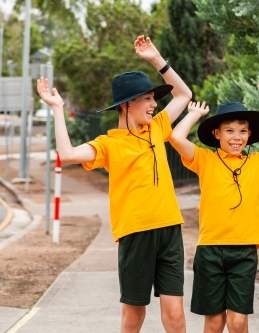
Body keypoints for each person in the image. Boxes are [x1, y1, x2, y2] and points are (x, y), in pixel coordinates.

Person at [37, 35, 192, 333]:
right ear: (127, 105)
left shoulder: (158, 127)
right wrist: (57, 109)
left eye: (153, 99)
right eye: (147, 99)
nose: (153, 104)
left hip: (170, 228)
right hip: (135, 233)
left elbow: (184, 95)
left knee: (175, 318)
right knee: (133, 317)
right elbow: (68, 154)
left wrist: (156, 60)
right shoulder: (109, 144)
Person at [169, 80, 259, 333]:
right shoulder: (204, 159)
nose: (236, 137)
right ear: (217, 134)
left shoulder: (257, 162)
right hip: (210, 249)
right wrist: (193, 114)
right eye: (229, 131)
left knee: (238, 323)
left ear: (249, 134)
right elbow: (174, 136)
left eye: (242, 131)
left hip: (244, 250)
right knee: (215, 323)